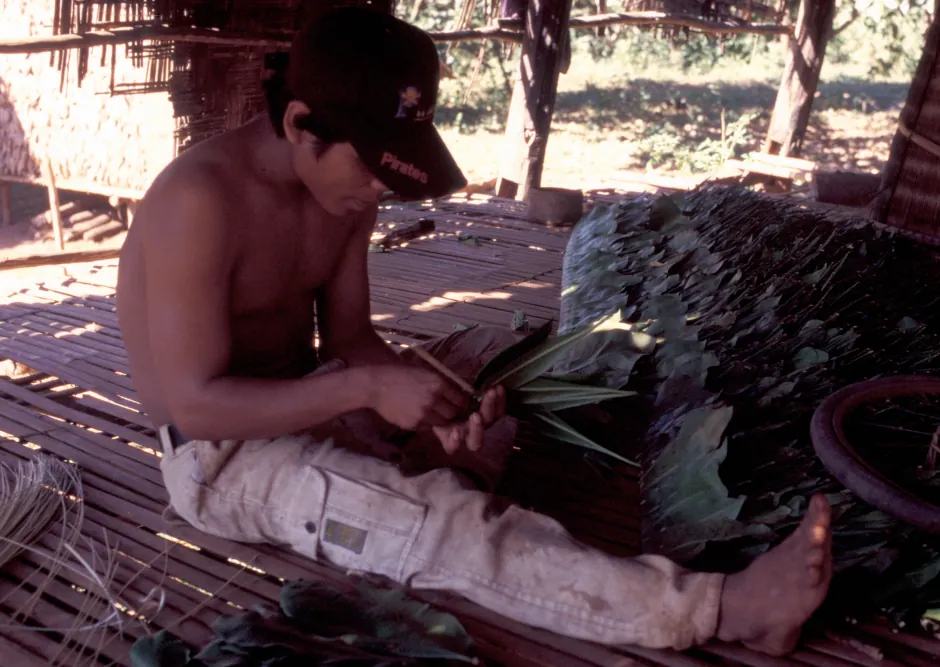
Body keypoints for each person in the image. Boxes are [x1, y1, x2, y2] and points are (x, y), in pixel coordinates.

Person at [116, 6, 833, 657]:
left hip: (308, 399)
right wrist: (368, 388)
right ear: (303, 124)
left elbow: (350, 340)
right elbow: (193, 407)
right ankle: (719, 607)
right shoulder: (200, 202)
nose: (379, 191)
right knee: (428, 515)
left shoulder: (342, 195)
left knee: (480, 417)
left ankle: (435, 483)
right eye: (371, 168)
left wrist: (437, 404)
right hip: (216, 460)